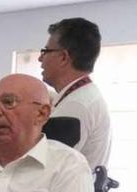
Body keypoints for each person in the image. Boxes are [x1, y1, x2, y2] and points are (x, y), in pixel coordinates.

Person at [39, 17, 111, 170]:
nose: (40, 58)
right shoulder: (84, 96)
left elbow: (43, 166)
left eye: (45, 51)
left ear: (64, 57)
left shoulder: (76, 105)